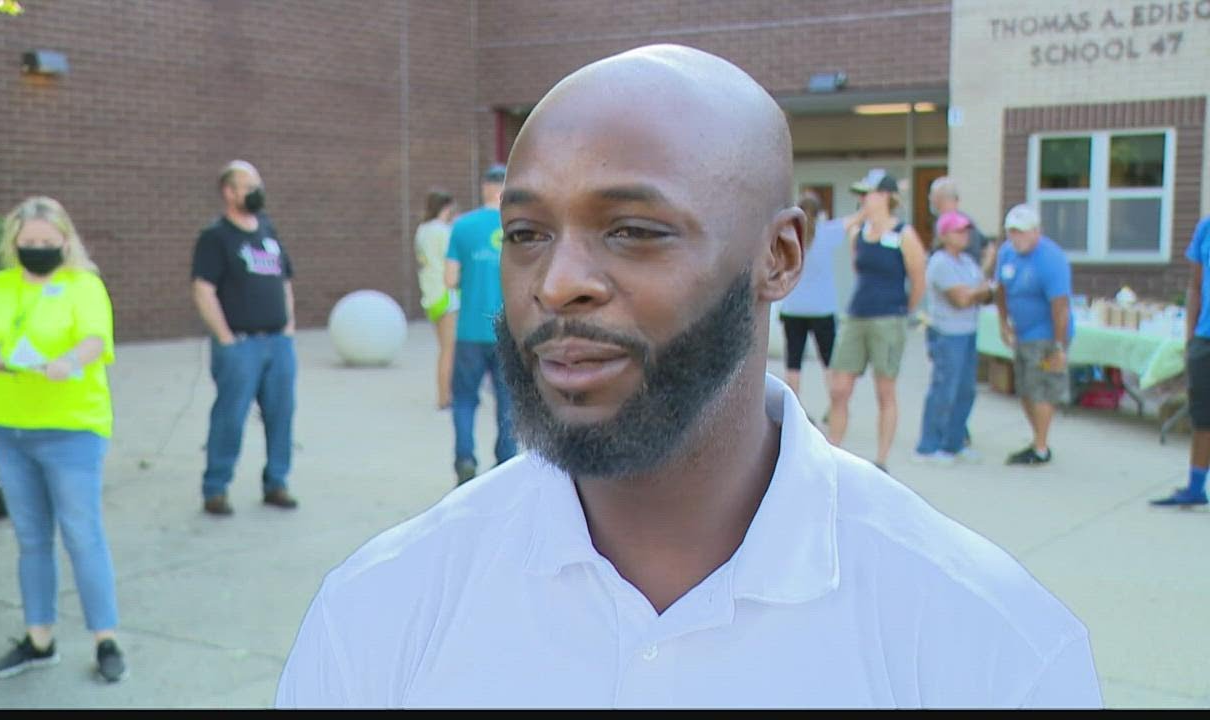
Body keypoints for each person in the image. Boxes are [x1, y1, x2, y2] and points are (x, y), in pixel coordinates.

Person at [276, 44, 1100, 709]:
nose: (557, 282)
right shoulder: (381, 609)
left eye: (633, 229)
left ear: (778, 257)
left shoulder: (988, 646)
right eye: (525, 233)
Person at [0, 196, 126, 682]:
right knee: (31, 539)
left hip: (72, 428)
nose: (38, 250)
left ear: (65, 242)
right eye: (29, 243)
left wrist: (69, 361)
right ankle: (39, 638)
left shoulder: (82, 285)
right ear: (13, 243)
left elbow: (95, 340)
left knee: (82, 535)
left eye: (48, 243)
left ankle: (105, 639)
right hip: (11, 429)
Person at [191, 160, 299, 515]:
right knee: (230, 417)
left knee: (281, 416)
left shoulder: (268, 229)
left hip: (278, 344)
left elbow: (284, 280)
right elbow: (203, 290)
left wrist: (288, 326)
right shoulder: (216, 237)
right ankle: (216, 488)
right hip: (240, 346)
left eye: (258, 184)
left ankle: (277, 482)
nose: (257, 192)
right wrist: (225, 338)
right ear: (229, 192)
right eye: (248, 186)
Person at [826, 169, 927, 472]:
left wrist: (903, 309)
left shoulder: (904, 234)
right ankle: (832, 450)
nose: (862, 200)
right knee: (839, 387)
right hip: (857, 313)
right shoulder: (860, 233)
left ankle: (881, 459)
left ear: (884, 196)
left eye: (867, 194)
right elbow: (859, 269)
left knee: (885, 389)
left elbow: (918, 277)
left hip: (888, 317)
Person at [443, 164, 517, 485]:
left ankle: (464, 458)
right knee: (508, 401)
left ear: (484, 186)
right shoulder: (517, 224)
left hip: (470, 329)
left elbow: (449, 279)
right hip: (509, 332)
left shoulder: (462, 227)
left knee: (464, 399)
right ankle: (506, 464)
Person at [912, 211, 995, 464]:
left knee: (965, 391)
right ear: (944, 235)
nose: (965, 235)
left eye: (966, 230)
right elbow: (961, 299)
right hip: (947, 335)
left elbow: (985, 293)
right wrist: (979, 291)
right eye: (959, 231)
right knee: (944, 390)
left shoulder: (967, 262)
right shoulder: (940, 262)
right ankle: (929, 446)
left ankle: (953, 442)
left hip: (968, 332)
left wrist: (977, 291)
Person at [995, 204, 1074, 466]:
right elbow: (1001, 290)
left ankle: (1040, 448)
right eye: (1012, 232)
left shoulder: (1051, 259)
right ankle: (1038, 439)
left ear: (1036, 231)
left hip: (1046, 333)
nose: (1016, 238)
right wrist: (1003, 323)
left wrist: (1059, 347)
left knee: (1041, 389)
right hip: (1022, 332)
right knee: (1025, 389)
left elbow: (1060, 307)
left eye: (1022, 232)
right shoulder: (1006, 253)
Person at [1151, 214, 1210, 506]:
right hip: (1205, 338)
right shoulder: (1205, 227)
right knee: (1202, 416)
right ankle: (1196, 487)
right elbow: (1195, 285)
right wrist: (1191, 337)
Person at [777, 192, 840, 403]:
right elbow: (856, 219)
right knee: (829, 362)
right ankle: (834, 407)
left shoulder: (789, 235)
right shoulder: (829, 232)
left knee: (793, 363)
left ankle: (794, 407)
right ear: (820, 212)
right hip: (822, 309)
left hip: (793, 307)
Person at [414, 189, 459, 410]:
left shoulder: (422, 230)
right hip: (446, 295)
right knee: (449, 350)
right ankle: (444, 397)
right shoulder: (444, 232)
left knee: (444, 348)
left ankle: (445, 394)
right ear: (447, 207)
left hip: (430, 294)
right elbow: (453, 261)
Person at [928, 176, 995, 277]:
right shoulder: (940, 221)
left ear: (938, 198)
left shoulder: (964, 223)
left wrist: (980, 275)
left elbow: (990, 249)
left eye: (932, 196)